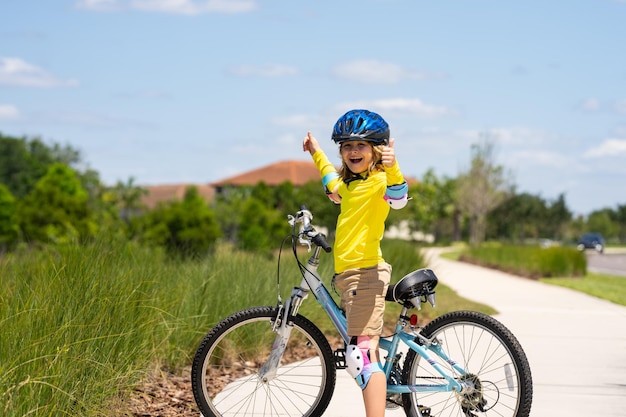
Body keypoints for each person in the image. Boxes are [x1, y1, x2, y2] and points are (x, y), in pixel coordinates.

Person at [302, 109, 408, 417]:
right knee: (362, 353)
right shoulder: (350, 187)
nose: (353, 151)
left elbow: (399, 197)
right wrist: (316, 152)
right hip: (350, 278)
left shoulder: (379, 182)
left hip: (366, 274)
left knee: (361, 356)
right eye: (347, 146)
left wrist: (394, 165)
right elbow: (331, 181)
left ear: (377, 149)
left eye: (361, 145)